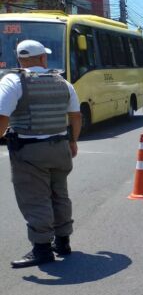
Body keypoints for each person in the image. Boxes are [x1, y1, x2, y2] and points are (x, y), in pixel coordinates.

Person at [0, 40, 82, 268]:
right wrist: (73, 141)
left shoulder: (13, 81)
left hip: (29, 150)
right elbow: (75, 116)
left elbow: (2, 116)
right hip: (60, 147)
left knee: (35, 199)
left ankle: (42, 249)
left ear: (20, 60)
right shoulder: (62, 82)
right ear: (43, 59)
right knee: (59, 194)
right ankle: (63, 242)